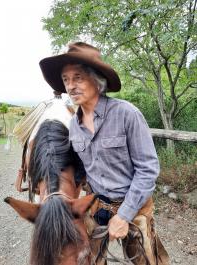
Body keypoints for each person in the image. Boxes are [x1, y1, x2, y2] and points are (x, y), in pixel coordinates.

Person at [39, 42, 169, 265]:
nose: (70, 86)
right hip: (97, 207)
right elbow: (79, 169)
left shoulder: (127, 114)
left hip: (134, 206)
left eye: (78, 77)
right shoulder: (73, 126)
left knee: (149, 261)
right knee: (87, 261)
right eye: (66, 79)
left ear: (97, 80)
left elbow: (148, 170)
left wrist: (124, 216)